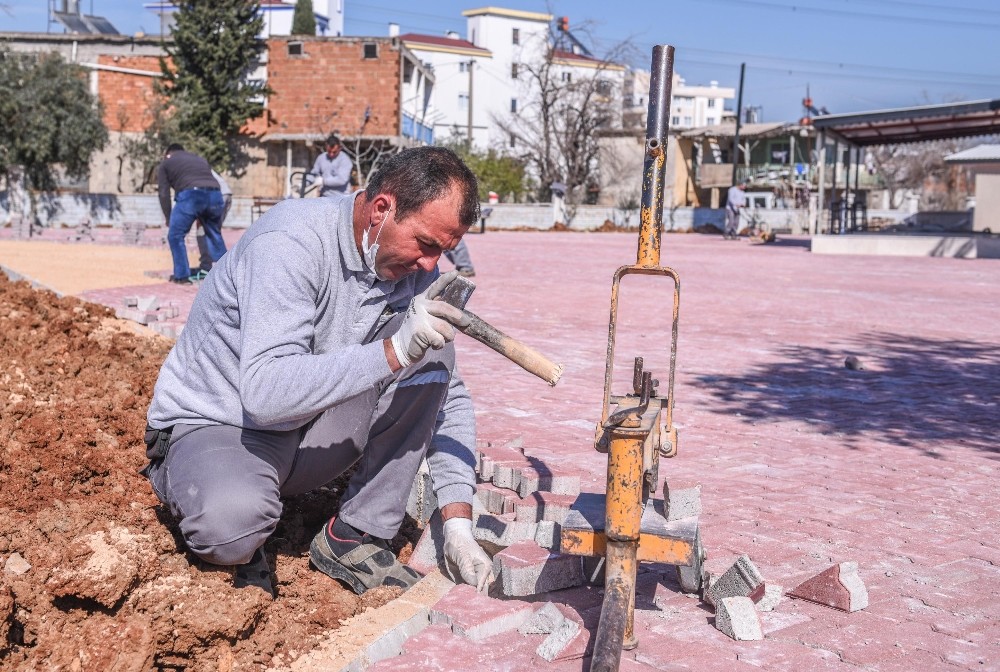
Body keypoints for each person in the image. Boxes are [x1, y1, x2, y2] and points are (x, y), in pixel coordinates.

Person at [142, 147, 493, 599]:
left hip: (306, 427)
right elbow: (265, 393)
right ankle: (189, 474)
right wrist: (392, 350)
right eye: (426, 243)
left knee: (431, 356)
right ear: (381, 209)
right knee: (230, 528)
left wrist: (459, 524)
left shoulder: (414, 272)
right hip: (222, 421)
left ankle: (355, 536)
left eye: (444, 251)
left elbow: (448, 397)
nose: (431, 265)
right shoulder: (291, 241)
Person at [157, 144, 227, 284]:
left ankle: (182, 276)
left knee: (175, 235)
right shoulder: (199, 159)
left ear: (168, 154)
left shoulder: (166, 163)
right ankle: (227, 275)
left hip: (191, 195)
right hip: (215, 194)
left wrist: (168, 217)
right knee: (214, 234)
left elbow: (163, 193)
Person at [193, 170, 232, 279]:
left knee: (206, 231)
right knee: (212, 231)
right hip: (225, 193)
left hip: (215, 195)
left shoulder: (187, 169)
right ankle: (219, 268)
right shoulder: (197, 165)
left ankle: (211, 267)